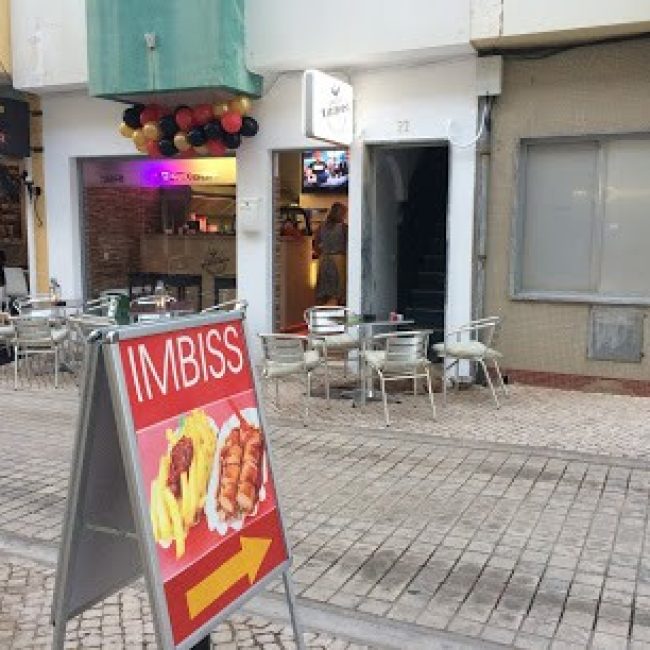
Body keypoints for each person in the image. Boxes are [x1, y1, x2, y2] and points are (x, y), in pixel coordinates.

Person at [313, 202, 348, 305]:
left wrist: (322, 253)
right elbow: (348, 245)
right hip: (339, 260)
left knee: (323, 289)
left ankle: (322, 311)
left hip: (324, 260)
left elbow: (315, 244)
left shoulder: (321, 227)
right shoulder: (343, 228)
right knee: (338, 290)